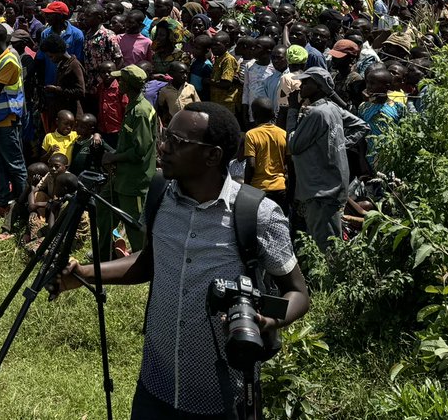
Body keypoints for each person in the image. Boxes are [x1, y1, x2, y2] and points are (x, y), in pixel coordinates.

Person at [58, 102, 310, 419]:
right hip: (155, 385)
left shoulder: (256, 213)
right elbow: (148, 261)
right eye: (166, 136)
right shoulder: (160, 194)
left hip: (223, 395)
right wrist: (84, 273)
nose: (162, 146)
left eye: (177, 142)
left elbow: (298, 294)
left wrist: (269, 321)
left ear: (213, 156)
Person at [287, 67, 365, 251]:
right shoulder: (331, 108)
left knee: (326, 245)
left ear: (320, 86)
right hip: (330, 185)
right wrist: (336, 144)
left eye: (307, 82)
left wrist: (291, 110)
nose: (301, 86)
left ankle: (333, 279)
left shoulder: (317, 113)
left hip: (321, 190)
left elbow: (293, 145)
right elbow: (361, 126)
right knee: (326, 237)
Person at [100, 65, 156, 254]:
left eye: (121, 80)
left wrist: (113, 157)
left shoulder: (141, 112)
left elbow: (140, 151)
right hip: (122, 176)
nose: (118, 82)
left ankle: (141, 260)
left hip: (135, 180)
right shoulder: (132, 106)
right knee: (103, 207)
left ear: (128, 84)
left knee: (134, 222)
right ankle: (106, 251)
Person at [0, 22, 30, 212]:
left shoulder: (10, 60)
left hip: (7, 120)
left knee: (15, 164)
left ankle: (24, 203)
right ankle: (1, 201)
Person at [242, 96, 289, 213]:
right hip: (281, 188)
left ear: (254, 115)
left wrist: (246, 189)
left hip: (259, 189)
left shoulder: (251, 135)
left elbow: (251, 165)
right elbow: (289, 164)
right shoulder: (283, 134)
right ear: (273, 114)